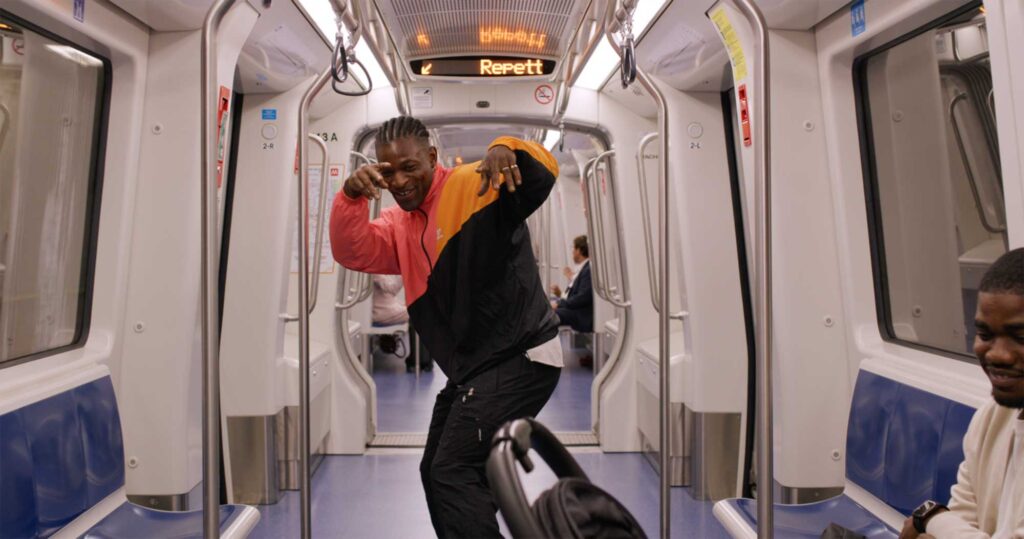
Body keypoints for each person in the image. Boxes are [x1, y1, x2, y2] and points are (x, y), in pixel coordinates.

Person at [330, 116, 563, 538]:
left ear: (432, 158)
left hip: (521, 354)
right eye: (387, 171)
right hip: (475, 368)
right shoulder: (398, 226)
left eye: (409, 167)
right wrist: (349, 197)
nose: (399, 180)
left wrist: (506, 146)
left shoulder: (471, 184)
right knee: (436, 469)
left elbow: (540, 176)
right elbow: (353, 250)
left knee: (454, 469)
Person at [900, 247, 1024, 539]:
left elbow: (947, 528)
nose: (997, 354)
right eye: (985, 334)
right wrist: (940, 524)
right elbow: (961, 522)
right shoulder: (991, 418)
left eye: (1020, 337)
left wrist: (931, 516)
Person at [550, 235, 593, 334]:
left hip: (581, 314)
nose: (572, 251)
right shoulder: (583, 269)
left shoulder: (587, 269)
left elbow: (583, 297)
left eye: (573, 248)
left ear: (578, 250)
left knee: (549, 314)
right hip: (575, 309)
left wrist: (559, 304)